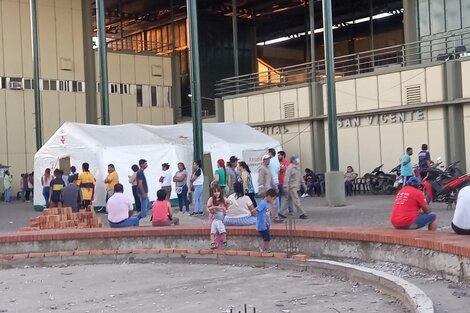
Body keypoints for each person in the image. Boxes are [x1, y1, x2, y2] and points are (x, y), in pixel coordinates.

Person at [256, 188, 277, 253]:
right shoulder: (263, 203)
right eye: (273, 199)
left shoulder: (267, 204)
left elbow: (271, 215)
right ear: (268, 197)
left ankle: (265, 249)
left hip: (266, 225)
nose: (273, 200)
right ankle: (264, 249)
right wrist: (251, 213)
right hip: (262, 225)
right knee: (267, 238)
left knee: (267, 238)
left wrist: (273, 206)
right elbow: (257, 210)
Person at [268, 148, 281, 213]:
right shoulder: (277, 161)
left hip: (270, 181)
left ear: (270, 153)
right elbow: (278, 171)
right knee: (276, 196)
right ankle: (278, 210)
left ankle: (272, 210)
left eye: (268, 153)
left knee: (270, 196)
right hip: (276, 180)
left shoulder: (269, 161)